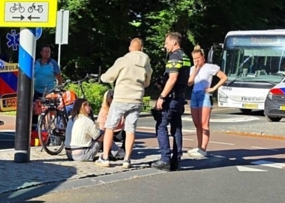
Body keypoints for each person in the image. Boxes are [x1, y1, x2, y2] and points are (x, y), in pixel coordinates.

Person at [97, 38, 152, 167]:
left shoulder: (123, 60)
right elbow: (147, 82)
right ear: (142, 49)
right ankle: (127, 159)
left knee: (110, 126)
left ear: (130, 48)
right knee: (130, 129)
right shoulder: (146, 63)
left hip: (121, 97)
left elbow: (109, 76)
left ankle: (105, 157)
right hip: (137, 99)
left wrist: (103, 77)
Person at [152, 32, 191, 171]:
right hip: (180, 97)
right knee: (176, 128)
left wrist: (162, 96)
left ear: (174, 43)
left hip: (171, 98)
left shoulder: (174, 57)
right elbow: (184, 78)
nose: (165, 45)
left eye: (166, 42)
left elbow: (173, 78)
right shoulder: (186, 57)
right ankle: (176, 158)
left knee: (161, 127)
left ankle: (165, 159)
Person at [186, 45, 228, 158]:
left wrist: (213, 88)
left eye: (198, 58)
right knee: (197, 123)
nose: (196, 60)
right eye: (194, 59)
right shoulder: (192, 69)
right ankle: (199, 146)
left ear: (203, 57)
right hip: (194, 95)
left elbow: (224, 77)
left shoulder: (210, 67)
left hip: (204, 95)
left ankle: (203, 148)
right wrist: (195, 69)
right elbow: (189, 83)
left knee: (204, 123)